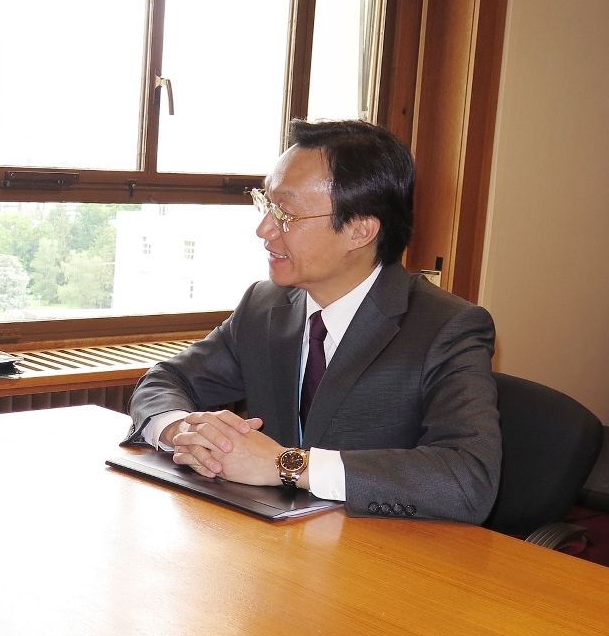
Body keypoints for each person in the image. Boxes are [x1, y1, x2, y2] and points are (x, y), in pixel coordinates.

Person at [126, 119, 501, 524]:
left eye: (285, 213)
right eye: (265, 203)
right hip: (273, 545)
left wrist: (288, 466)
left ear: (360, 230)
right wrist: (183, 431)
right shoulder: (265, 306)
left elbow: (468, 480)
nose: (263, 229)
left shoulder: (447, 328)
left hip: (381, 559)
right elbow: (165, 380)